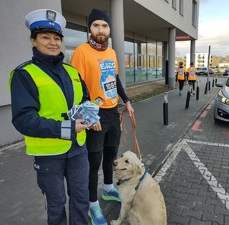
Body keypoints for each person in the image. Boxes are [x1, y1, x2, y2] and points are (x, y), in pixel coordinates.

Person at [9, 9, 92, 225]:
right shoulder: (24, 74)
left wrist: (90, 113)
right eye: (45, 37)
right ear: (33, 40)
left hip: (78, 149)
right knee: (56, 206)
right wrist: (68, 128)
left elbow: (84, 98)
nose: (53, 43)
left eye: (57, 38)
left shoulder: (72, 71)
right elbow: (23, 120)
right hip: (49, 155)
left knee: (81, 200)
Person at [71, 8, 134, 225]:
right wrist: (90, 116)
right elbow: (77, 87)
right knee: (94, 160)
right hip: (94, 114)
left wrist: (126, 100)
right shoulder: (81, 52)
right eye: (96, 25)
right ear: (89, 28)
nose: (101, 29)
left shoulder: (112, 53)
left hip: (112, 111)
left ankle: (108, 188)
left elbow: (114, 79)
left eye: (104, 26)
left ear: (109, 29)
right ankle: (92, 205)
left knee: (110, 154)